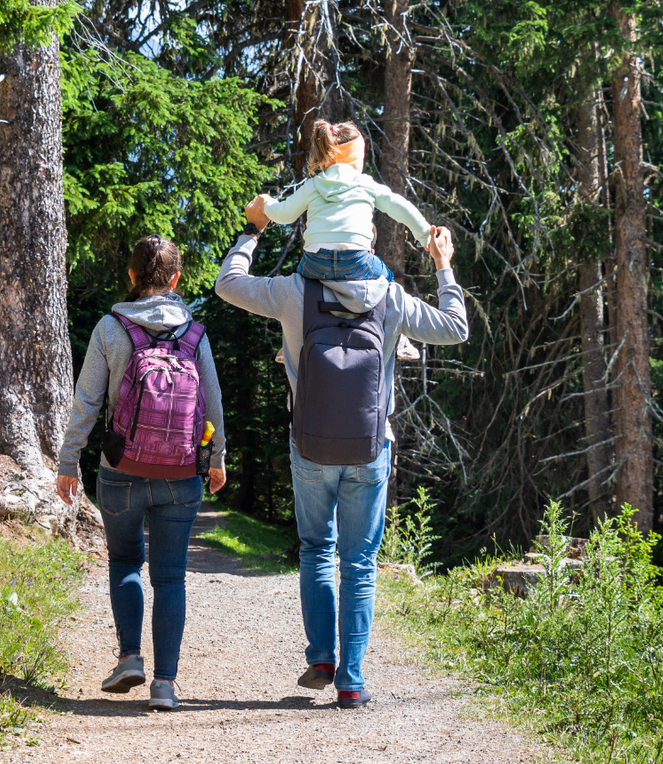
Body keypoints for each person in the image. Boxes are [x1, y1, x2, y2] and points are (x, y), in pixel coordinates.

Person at [214, 203, 467, 709]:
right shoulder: (391, 298)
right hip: (371, 446)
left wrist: (253, 229)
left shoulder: (291, 292)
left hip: (309, 444)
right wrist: (442, 264)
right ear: (369, 245)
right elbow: (456, 328)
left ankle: (321, 658)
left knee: (316, 549)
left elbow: (228, 284)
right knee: (359, 563)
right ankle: (351, 681)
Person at [56, 235, 227, 712]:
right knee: (170, 577)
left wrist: (69, 461)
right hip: (181, 474)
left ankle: (130, 656)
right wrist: (217, 458)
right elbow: (212, 401)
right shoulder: (195, 333)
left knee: (125, 561)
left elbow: (87, 401)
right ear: (175, 281)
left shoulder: (111, 329)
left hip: (120, 469)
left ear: (131, 277)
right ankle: (166, 685)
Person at [254, 119, 428, 359]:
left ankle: (291, 345)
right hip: (356, 261)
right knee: (389, 283)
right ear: (357, 156)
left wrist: (267, 203)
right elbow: (400, 207)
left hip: (315, 263)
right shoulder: (365, 184)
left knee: (298, 292)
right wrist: (425, 233)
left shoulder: (313, 185)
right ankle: (401, 342)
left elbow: (283, 215)